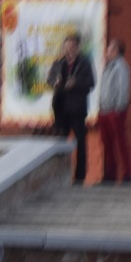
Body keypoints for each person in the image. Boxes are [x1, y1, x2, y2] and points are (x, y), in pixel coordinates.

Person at [45, 30, 95, 184]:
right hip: (60, 108)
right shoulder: (59, 63)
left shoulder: (84, 63)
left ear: (78, 47)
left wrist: (76, 84)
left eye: (72, 47)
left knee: (80, 141)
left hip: (77, 108)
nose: (69, 50)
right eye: (66, 46)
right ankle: (59, 176)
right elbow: (49, 80)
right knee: (60, 142)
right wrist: (56, 82)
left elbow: (91, 83)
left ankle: (79, 177)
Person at [94, 37, 131, 187]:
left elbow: (122, 88)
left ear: (117, 51)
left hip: (115, 110)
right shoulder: (107, 66)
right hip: (104, 109)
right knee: (107, 143)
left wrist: (118, 107)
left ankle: (128, 174)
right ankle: (110, 174)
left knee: (120, 142)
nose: (107, 51)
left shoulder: (121, 66)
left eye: (110, 49)